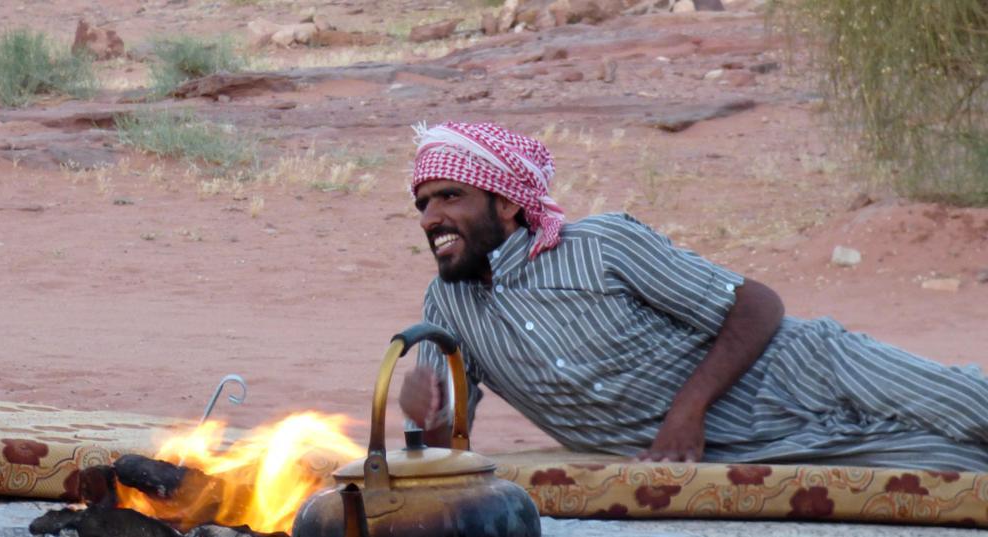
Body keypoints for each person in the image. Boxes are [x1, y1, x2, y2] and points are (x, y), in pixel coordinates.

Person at [398, 121, 988, 471]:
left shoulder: (601, 245)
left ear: (506, 204)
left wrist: (688, 410)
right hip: (758, 446)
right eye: (424, 204)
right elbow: (447, 451)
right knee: (959, 465)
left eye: (450, 197)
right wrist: (422, 411)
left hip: (807, 369)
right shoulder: (447, 309)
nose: (432, 217)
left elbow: (758, 305)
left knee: (968, 405)